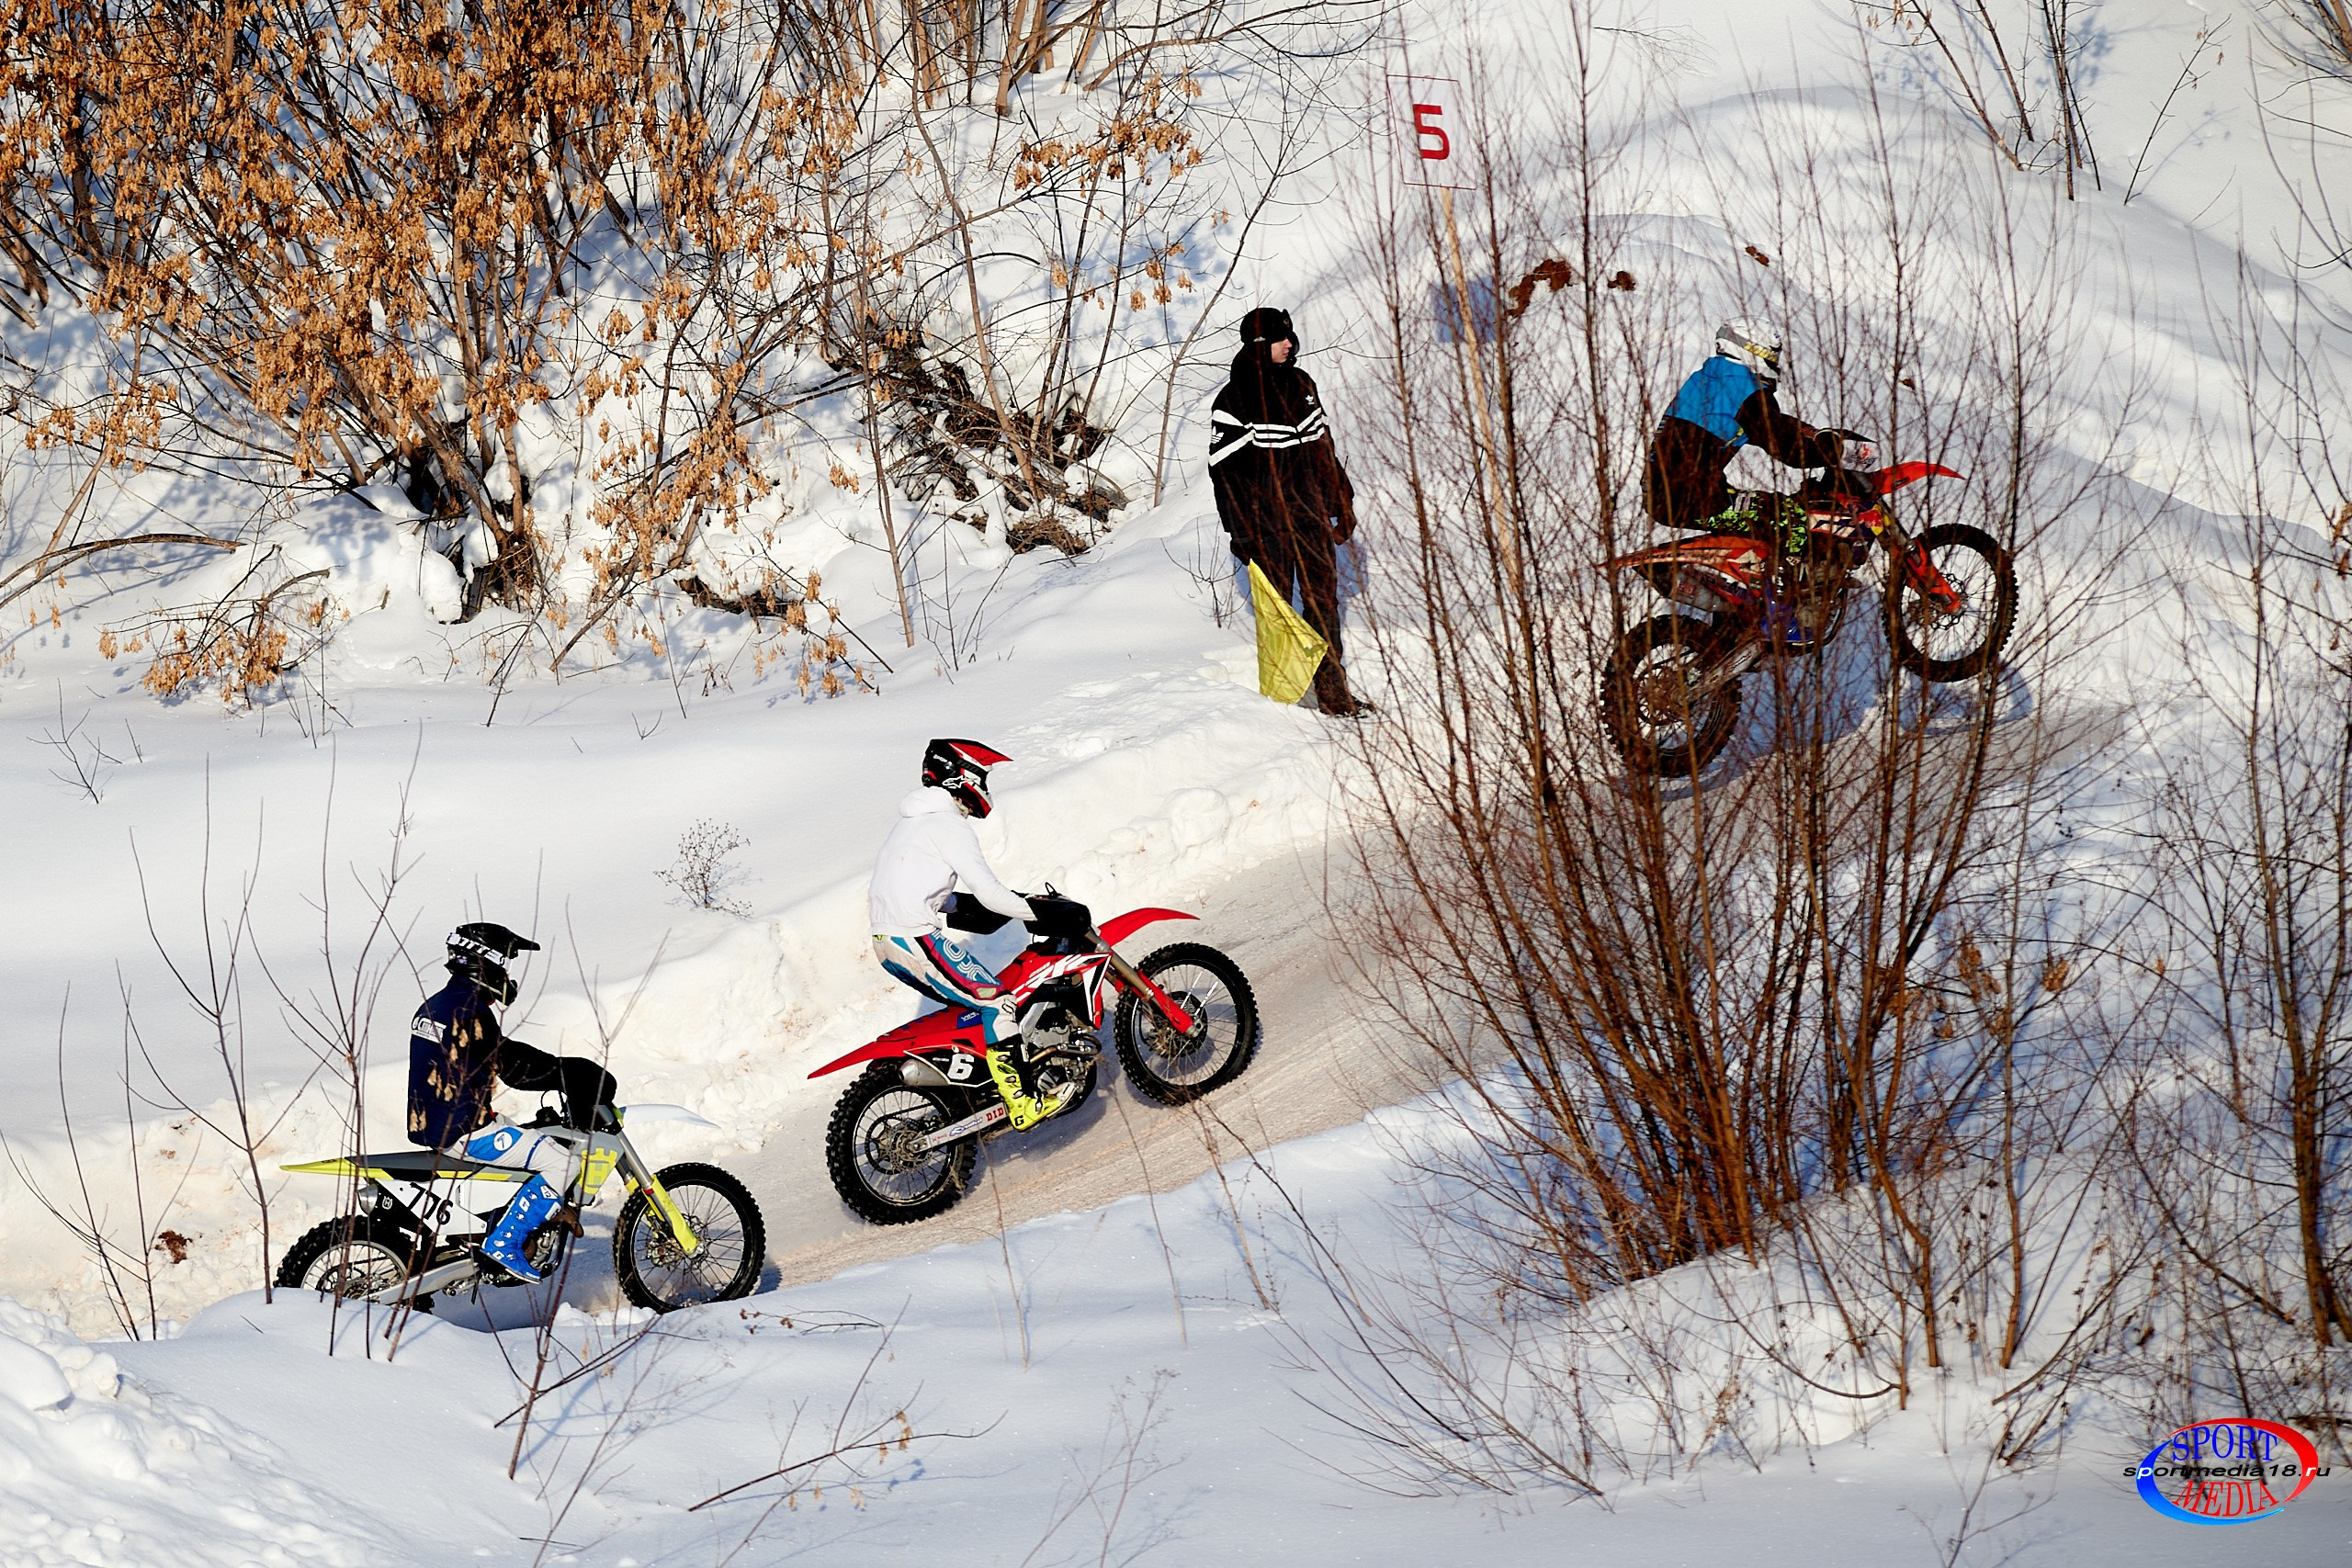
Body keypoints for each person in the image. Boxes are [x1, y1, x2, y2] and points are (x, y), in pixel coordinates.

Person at [870, 739, 1070, 1131]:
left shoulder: (910, 823)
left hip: (887, 941)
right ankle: (1023, 1102)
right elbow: (992, 893)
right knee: (998, 1004)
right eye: (981, 775)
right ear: (960, 775)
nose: (983, 785)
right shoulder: (947, 826)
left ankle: (984, 1083)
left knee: (976, 1006)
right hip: (914, 939)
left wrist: (954, 905)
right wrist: (1043, 910)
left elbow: (909, 885)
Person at [406, 921, 616, 1283]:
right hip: (466, 1130)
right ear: (483, 962)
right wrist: (568, 1074)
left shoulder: (441, 1004)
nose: (507, 974)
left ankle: (501, 1221)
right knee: (562, 1163)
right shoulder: (471, 1011)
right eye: (504, 963)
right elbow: (516, 1069)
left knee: (529, 1138)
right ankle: (505, 1243)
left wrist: (559, 1068)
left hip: (434, 1121)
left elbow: (494, 1051)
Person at [1208, 306, 1365, 716]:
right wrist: (1240, 532)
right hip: (1266, 526)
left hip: (1310, 517)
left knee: (1322, 604)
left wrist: (1340, 503)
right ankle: (1286, 701)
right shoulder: (1233, 400)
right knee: (1278, 611)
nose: (1290, 344)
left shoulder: (1301, 383)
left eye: (1290, 336)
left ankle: (1333, 695)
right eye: (1281, 338)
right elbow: (1226, 475)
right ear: (1260, 345)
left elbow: (1323, 449)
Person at [1641, 319, 1873, 570]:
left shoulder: (1712, 378)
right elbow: (1786, 445)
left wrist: (1820, 434)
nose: (1775, 363)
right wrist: (1833, 450)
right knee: (1792, 518)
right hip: (1693, 498)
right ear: (1754, 351)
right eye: (1772, 356)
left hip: (1668, 492)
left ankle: (1753, 585)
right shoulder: (1742, 387)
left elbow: (1776, 425)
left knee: (1764, 514)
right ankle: (1784, 602)